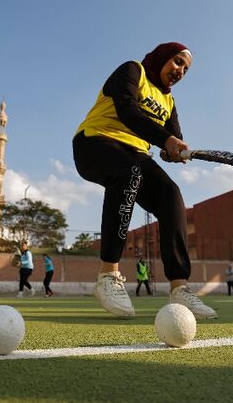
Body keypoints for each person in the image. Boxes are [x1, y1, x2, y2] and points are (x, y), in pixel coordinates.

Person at [73, 42, 217, 319]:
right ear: (162, 57)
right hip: (95, 142)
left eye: (185, 69)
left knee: (171, 196)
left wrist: (173, 151)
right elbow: (128, 111)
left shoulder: (169, 102)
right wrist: (166, 140)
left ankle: (179, 288)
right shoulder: (132, 71)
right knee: (129, 174)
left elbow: (169, 142)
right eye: (177, 62)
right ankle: (108, 276)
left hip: (136, 154)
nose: (180, 71)